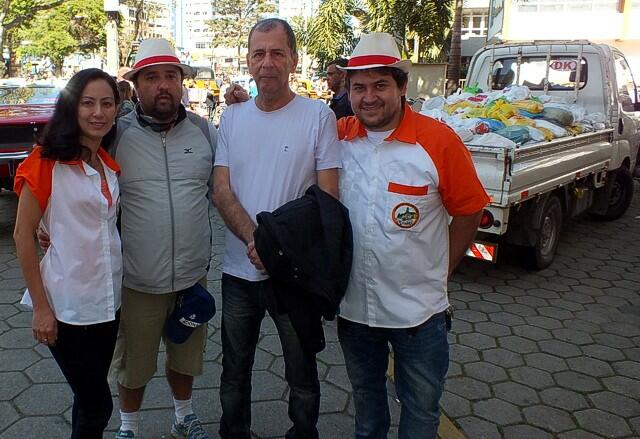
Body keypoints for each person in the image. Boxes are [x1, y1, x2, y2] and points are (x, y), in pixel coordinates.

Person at [335, 33, 489, 439]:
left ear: (402, 87)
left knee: (421, 414)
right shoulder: (338, 139)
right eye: (359, 87)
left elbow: (470, 210)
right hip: (354, 312)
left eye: (380, 85)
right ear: (347, 90)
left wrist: (442, 271)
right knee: (367, 414)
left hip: (418, 315)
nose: (369, 97)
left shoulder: (438, 142)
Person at [212, 18, 341, 439]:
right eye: (258, 53)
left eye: (277, 53)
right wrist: (259, 242)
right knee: (234, 373)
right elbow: (222, 191)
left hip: (294, 275)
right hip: (239, 271)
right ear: (248, 60)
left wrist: (278, 251)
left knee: (302, 373)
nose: (267, 62)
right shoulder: (231, 119)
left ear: (293, 60)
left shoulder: (318, 117)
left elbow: (326, 201)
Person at [113, 39, 217, 439]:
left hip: (192, 276)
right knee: (134, 362)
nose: (162, 85)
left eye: (170, 76)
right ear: (136, 85)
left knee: (186, 356)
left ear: (182, 82)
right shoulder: (116, 135)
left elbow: (223, 192)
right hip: (138, 279)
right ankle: (129, 426)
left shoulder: (205, 132)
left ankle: (183, 415)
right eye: (151, 77)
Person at [13, 68, 122, 439]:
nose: (98, 112)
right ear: (71, 107)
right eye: (88, 103)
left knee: (85, 400)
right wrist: (42, 309)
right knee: (98, 404)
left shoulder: (106, 164)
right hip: (67, 307)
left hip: (108, 301)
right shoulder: (46, 162)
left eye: (107, 103)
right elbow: (22, 234)